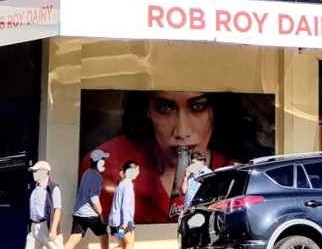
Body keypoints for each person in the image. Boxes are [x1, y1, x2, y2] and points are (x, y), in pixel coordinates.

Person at [81, 91, 272, 223]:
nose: (182, 131)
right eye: (165, 108)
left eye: (197, 106)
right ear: (147, 110)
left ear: (216, 110)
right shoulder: (110, 163)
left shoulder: (241, 169)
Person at [64, 150, 110, 249]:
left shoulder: (87, 173)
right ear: (99, 162)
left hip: (79, 213)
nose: (105, 162)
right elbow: (93, 197)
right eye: (103, 160)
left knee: (74, 238)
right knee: (104, 235)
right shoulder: (97, 176)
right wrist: (100, 212)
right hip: (91, 214)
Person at [23, 161, 67, 249]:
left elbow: (57, 209)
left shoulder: (53, 188)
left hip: (47, 226)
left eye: (36, 171)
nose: (34, 173)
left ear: (44, 172)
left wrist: (53, 229)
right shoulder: (36, 188)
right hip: (35, 227)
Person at [108, 161, 139, 249]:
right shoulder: (128, 185)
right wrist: (125, 223)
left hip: (115, 223)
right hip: (124, 224)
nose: (138, 172)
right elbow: (125, 206)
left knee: (122, 245)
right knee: (130, 244)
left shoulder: (121, 184)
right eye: (137, 170)